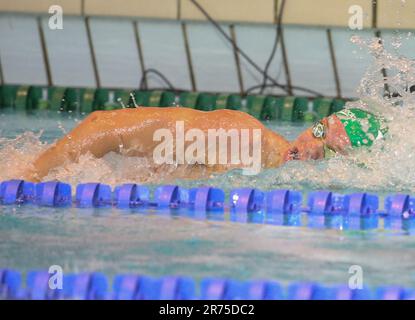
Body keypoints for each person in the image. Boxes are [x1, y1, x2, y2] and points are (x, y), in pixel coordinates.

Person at [23, 106, 387, 182]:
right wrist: (29, 176)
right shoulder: (247, 139)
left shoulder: (266, 165)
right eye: (320, 133)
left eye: (330, 150)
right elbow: (102, 125)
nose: (312, 147)